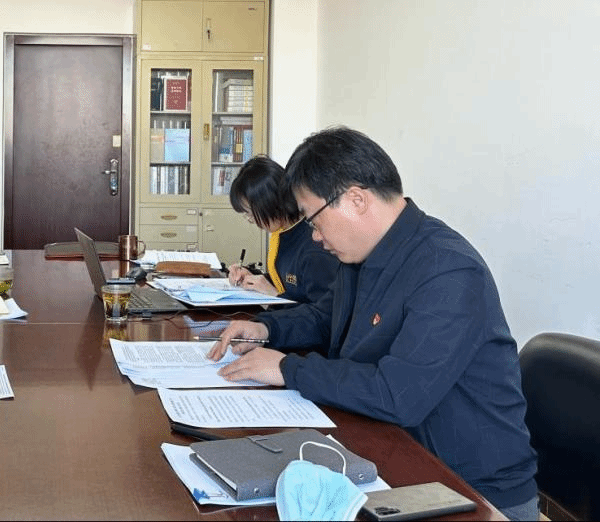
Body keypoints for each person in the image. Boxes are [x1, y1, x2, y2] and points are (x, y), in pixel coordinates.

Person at [207, 127, 539, 521]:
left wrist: (287, 368)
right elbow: (326, 317)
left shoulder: (447, 270)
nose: (314, 237)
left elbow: (397, 395)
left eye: (314, 220)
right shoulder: (361, 255)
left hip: (470, 491)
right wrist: (267, 330)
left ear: (356, 199)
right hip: (390, 452)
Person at [226, 155, 339, 305]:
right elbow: (285, 280)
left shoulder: (314, 247)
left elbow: (323, 313)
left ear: (269, 202)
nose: (250, 220)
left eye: (250, 213)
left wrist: (275, 295)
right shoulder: (284, 232)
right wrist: (251, 276)